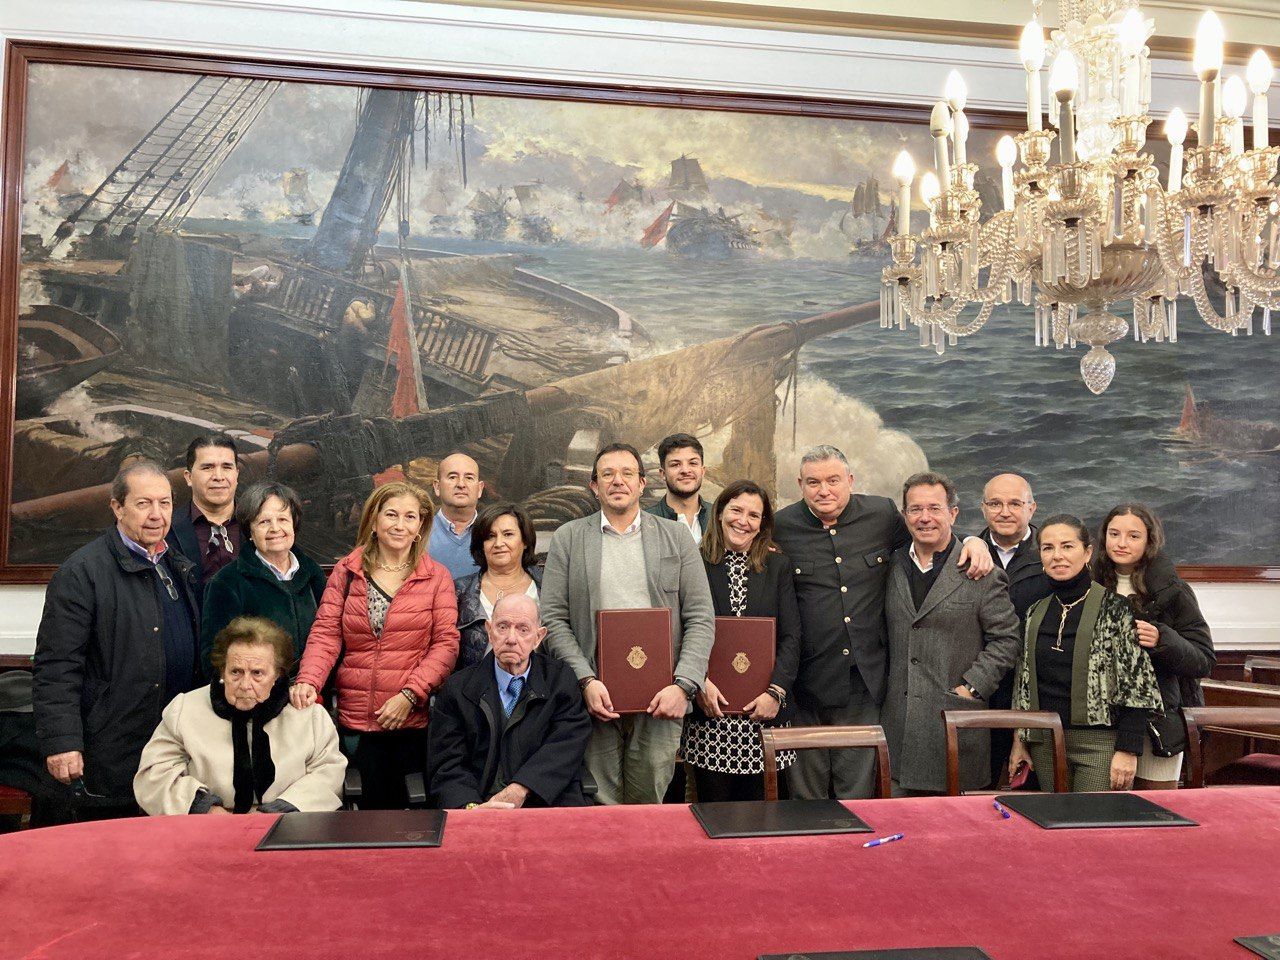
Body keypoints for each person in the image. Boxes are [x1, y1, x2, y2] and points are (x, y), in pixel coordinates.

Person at [772, 445, 993, 800]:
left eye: (833, 480)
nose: (823, 490)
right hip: (804, 684)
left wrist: (973, 540)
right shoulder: (781, 525)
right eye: (813, 482)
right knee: (805, 799)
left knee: (859, 798)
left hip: (864, 682)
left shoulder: (881, 514)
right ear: (800, 484)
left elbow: (931, 532)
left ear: (850, 480)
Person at [541, 442, 715, 805]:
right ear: (594, 485)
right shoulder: (569, 538)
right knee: (599, 800)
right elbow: (554, 619)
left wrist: (682, 686)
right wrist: (584, 680)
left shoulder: (676, 537)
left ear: (642, 483)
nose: (617, 481)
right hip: (595, 696)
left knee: (649, 798)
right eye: (607, 474)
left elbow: (700, 617)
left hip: (662, 696)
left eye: (626, 474)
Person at [33, 459, 202, 816]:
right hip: (109, 747)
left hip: (170, 746)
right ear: (117, 508)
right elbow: (57, 667)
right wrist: (62, 743)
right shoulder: (81, 573)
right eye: (143, 503)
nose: (156, 514)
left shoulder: (176, 564)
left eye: (165, 503)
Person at [292, 481, 460, 809]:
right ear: (374, 519)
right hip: (355, 722)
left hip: (410, 722)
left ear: (421, 526)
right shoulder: (348, 571)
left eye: (410, 517)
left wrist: (410, 695)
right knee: (361, 817)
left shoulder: (436, 577)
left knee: (410, 821)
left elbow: (446, 644)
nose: (400, 525)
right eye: (392, 515)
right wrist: (308, 680)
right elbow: (326, 633)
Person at [882, 472, 1021, 795]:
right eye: (915, 509)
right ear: (904, 516)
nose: (925, 518)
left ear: (953, 514)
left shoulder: (981, 572)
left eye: (934, 508)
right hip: (899, 733)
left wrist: (973, 687)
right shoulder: (892, 565)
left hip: (954, 729)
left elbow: (1007, 639)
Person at [1009, 515, 1163, 792]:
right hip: (1044, 741)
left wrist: (1129, 749)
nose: (1057, 556)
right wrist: (1020, 740)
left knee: (1092, 826)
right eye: (1048, 548)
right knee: (1053, 825)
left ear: (1087, 552)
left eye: (1067, 546)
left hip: (1099, 744)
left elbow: (1138, 685)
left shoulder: (1116, 609)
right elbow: (1023, 681)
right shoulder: (1035, 612)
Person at [134, 616, 345, 815]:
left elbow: (328, 773)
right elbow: (154, 775)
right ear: (222, 671)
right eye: (235, 672)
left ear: (278, 675)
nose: (245, 685)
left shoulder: (308, 716)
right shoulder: (185, 709)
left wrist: (281, 810)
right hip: (206, 828)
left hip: (288, 827)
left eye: (257, 673)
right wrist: (205, 808)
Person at [681, 480, 801, 802]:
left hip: (765, 715)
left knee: (764, 821)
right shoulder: (694, 563)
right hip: (710, 717)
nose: (743, 521)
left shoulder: (778, 566)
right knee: (713, 818)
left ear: (762, 525)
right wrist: (699, 683)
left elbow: (791, 637)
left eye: (753, 515)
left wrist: (775, 693)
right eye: (736, 510)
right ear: (719, 512)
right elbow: (680, 631)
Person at [1093, 503, 1215, 790]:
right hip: (1102, 723)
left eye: (1133, 536)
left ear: (1149, 541)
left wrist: (1163, 640)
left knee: (1157, 809)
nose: (1121, 543)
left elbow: (1204, 660)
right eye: (1114, 534)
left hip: (1160, 722)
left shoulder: (1174, 591)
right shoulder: (1088, 584)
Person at [428, 595, 592, 808]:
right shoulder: (457, 689)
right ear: (489, 630)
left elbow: (566, 746)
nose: (511, 638)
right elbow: (447, 765)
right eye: (502, 627)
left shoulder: (560, 680)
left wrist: (521, 788)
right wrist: (471, 807)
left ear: (539, 637)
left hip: (545, 801)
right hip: (480, 805)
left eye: (523, 629)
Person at [199, 481, 328, 680]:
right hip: (257, 701)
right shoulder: (226, 583)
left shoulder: (314, 575)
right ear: (249, 531)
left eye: (283, 519)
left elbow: (331, 637)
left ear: (294, 524)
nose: (275, 528)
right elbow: (215, 658)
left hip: (312, 695)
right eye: (264, 522)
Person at [978, 472, 1053, 786]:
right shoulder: (964, 554)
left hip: (1037, 688)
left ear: (1032, 508)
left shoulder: (1052, 556)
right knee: (977, 784)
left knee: (1033, 786)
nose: (1004, 511)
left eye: (1014, 503)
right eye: (995, 503)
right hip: (982, 688)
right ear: (983, 509)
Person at [454, 503, 543, 671]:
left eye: (508, 534)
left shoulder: (548, 588)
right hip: (473, 691)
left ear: (525, 541)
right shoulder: (459, 591)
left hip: (539, 691)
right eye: (490, 536)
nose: (498, 543)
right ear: (481, 544)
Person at [167, 433, 241, 601]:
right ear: (188, 477)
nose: (218, 476)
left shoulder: (256, 523)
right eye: (207, 467)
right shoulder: (167, 530)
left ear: (237, 475)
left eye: (227, 467)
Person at [644, 433, 710, 542]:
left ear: (702, 471)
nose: (685, 470)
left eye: (693, 463)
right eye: (675, 464)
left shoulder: (719, 518)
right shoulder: (646, 522)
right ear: (662, 474)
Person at [429, 452, 484, 580]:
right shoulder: (418, 533)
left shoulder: (493, 534)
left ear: (480, 489)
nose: (461, 484)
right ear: (437, 487)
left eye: (469, 478)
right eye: (453, 477)